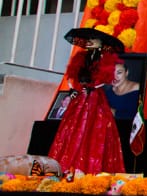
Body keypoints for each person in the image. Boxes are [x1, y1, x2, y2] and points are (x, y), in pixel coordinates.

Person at [48, 27, 127, 174]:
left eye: (93, 39)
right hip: (80, 98)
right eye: (88, 39)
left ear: (101, 42)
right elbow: (72, 75)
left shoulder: (105, 58)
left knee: (95, 128)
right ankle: (67, 167)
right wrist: (72, 89)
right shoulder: (81, 57)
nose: (90, 41)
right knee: (72, 129)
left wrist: (94, 87)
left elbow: (106, 78)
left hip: (95, 98)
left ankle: (89, 168)